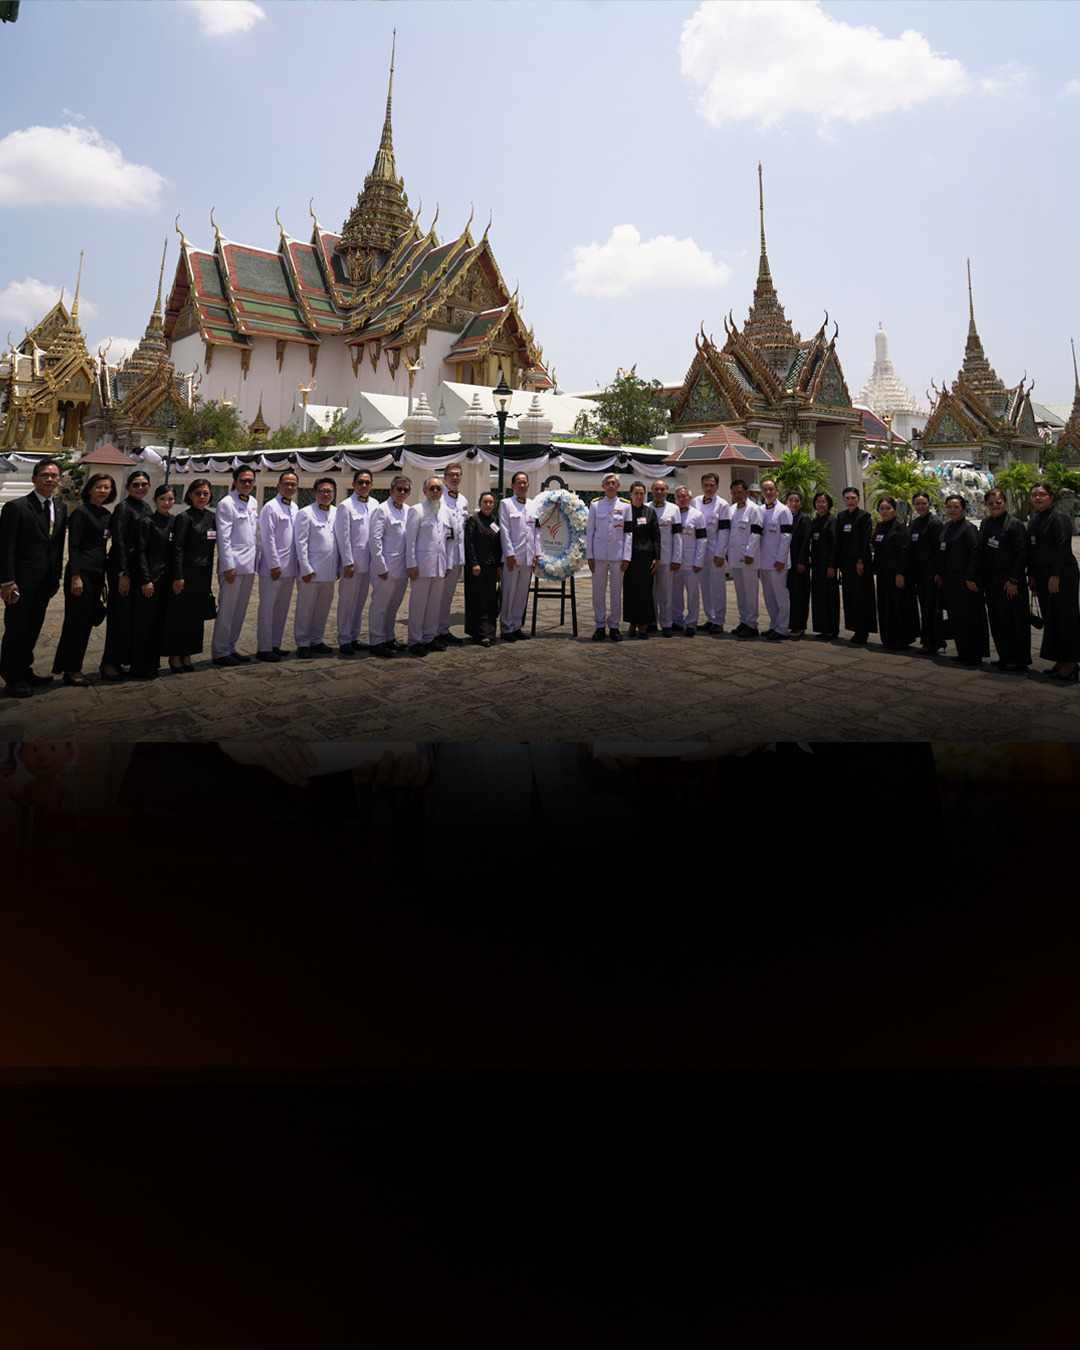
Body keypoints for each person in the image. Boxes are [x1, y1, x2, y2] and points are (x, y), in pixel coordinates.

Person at [0, 456, 68, 697]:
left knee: (33, 629)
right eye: (44, 475)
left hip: (44, 582)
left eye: (54, 475)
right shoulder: (16, 507)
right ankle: (12, 677)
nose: (50, 479)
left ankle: (25, 669)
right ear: (34, 478)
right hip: (20, 582)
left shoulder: (61, 507)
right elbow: (5, 547)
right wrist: (7, 581)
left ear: (59, 480)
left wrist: (55, 579)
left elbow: (57, 547)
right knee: (16, 630)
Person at [51, 470, 115, 687]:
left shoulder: (106, 514)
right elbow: (74, 545)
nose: (103, 491)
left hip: (98, 574)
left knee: (87, 622)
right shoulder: (81, 513)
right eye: (99, 487)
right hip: (81, 574)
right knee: (76, 623)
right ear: (89, 489)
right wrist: (75, 576)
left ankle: (73, 665)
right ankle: (71, 669)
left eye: (107, 487)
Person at [101, 468, 152, 681]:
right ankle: (109, 662)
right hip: (123, 568)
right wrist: (123, 572)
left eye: (144, 484)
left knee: (133, 617)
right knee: (120, 616)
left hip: (139, 568)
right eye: (136, 484)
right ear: (127, 487)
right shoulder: (123, 508)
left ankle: (126, 658)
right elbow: (118, 540)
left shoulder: (146, 507)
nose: (140, 488)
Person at [1027, 481, 1079, 682]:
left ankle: (1072, 663)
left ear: (1051, 497)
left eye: (1041, 494)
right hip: (1041, 575)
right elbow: (1032, 549)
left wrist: (1055, 575)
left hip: (1062, 575)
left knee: (1066, 618)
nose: (1037, 498)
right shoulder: (1035, 520)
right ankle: (1060, 659)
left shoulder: (1059, 518)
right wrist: (1031, 574)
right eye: (1034, 495)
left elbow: (1062, 548)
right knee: (1052, 618)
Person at [163, 477, 216, 672]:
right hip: (185, 574)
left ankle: (187, 653)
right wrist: (178, 577)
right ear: (189, 495)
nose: (202, 497)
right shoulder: (183, 518)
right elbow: (177, 549)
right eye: (198, 493)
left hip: (203, 575)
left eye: (205, 493)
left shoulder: (211, 517)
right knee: (180, 616)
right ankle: (175, 655)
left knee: (195, 617)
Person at [212, 464, 260, 666]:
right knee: (227, 609)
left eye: (250, 480)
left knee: (240, 610)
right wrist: (228, 566)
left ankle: (231, 647)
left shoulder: (253, 502)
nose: (247, 484)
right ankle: (220, 651)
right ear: (235, 481)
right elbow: (223, 539)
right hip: (232, 566)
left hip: (249, 566)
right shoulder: (226, 503)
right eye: (243, 480)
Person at [979, 487, 1030, 673]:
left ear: (1005, 503)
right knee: (997, 620)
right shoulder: (985, 523)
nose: (995, 506)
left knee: (1014, 620)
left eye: (998, 502)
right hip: (992, 580)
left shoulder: (1014, 524)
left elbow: (1022, 554)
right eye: (990, 503)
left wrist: (1014, 579)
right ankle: (1004, 656)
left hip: (1009, 580)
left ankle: (1018, 660)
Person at [935, 493, 989, 666]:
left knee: (970, 618)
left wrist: (970, 577)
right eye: (949, 507)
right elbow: (942, 551)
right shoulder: (947, 526)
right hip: (950, 580)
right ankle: (962, 652)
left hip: (966, 581)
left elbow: (975, 552)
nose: (952, 510)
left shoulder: (968, 528)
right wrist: (940, 573)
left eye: (956, 507)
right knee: (956, 618)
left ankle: (973, 654)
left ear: (964, 509)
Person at [129, 483, 175, 679]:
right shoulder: (148, 522)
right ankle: (139, 666)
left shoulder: (174, 522)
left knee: (158, 623)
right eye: (162, 499)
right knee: (144, 623)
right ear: (155, 500)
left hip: (167, 579)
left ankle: (153, 663)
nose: (166, 502)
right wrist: (146, 580)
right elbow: (141, 552)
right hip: (150, 579)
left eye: (170, 499)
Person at [255, 469, 300, 663]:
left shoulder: (295, 507)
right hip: (272, 568)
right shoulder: (270, 507)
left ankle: (275, 643)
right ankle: (264, 647)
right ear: (278, 486)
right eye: (286, 484)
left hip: (290, 568)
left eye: (293, 484)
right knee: (267, 607)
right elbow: (268, 537)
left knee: (282, 608)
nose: (290, 487)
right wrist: (274, 564)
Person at [294, 477, 340, 658]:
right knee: (305, 608)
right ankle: (303, 642)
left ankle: (316, 640)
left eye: (329, 491)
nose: (326, 494)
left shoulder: (337, 512)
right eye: (322, 491)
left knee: (323, 608)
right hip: (311, 571)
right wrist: (305, 568)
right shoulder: (305, 513)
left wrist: (339, 567)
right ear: (315, 493)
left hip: (330, 571)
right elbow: (301, 543)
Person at [405, 476, 452, 656]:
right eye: (431, 488)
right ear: (424, 491)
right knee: (418, 605)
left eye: (438, 488)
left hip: (440, 566)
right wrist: (411, 564)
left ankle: (429, 637)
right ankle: (415, 640)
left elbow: (450, 540)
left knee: (434, 604)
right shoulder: (416, 510)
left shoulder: (446, 512)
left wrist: (448, 563)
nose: (435, 491)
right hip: (421, 567)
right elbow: (410, 541)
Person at [368, 475, 412, 658]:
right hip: (385, 569)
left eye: (406, 490)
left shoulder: (409, 510)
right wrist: (380, 567)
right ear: (391, 490)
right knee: (380, 606)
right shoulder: (382, 510)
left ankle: (388, 637)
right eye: (399, 489)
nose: (402, 493)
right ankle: (376, 641)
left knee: (393, 607)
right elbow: (374, 540)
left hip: (402, 569)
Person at [334, 468, 376, 656]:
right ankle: (344, 639)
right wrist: (347, 563)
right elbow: (342, 537)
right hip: (352, 565)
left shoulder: (375, 504)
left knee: (360, 602)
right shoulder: (345, 506)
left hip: (369, 563)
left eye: (367, 482)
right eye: (360, 482)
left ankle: (354, 636)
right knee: (347, 603)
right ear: (353, 484)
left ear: (371, 485)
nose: (364, 485)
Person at [586, 472, 631, 642]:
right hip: (598, 555)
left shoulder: (626, 506)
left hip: (617, 555)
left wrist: (626, 556)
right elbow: (590, 531)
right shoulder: (595, 505)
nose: (611, 485)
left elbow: (628, 533)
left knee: (615, 592)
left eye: (613, 483)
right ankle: (599, 625)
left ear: (618, 486)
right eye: (607, 483)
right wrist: (589, 555)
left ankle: (614, 626)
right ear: (602, 486)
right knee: (598, 591)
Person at [871, 497, 918, 650]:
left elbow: (905, 551)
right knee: (885, 605)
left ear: (894, 509)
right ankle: (888, 638)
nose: (885, 511)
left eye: (888, 508)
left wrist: (900, 573)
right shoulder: (879, 526)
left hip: (896, 573)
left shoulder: (899, 527)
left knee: (899, 605)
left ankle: (902, 638)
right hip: (883, 573)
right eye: (882, 508)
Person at [497, 470, 538, 641]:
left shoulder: (533, 505)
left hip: (528, 557)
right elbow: (504, 531)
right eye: (519, 482)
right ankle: (506, 628)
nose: (522, 485)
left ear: (528, 485)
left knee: (521, 594)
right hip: (512, 558)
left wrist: (536, 554)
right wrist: (509, 554)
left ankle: (516, 626)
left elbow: (536, 531)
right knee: (508, 593)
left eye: (525, 482)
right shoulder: (506, 504)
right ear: (513, 486)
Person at [836, 486, 876, 645]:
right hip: (846, 564)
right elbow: (839, 540)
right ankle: (855, 629)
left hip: (860, 564)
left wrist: (861, 561)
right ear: (843, 500)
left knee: (862, 597)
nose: (850, 501)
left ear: (858, 499)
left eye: (853, 498)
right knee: (850, 597)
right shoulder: (841, 516)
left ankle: (863, 630)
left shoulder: (864, 516)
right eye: (847, 498)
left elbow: (866, 540)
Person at [907, 491, 945, 654]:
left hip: (931, 572)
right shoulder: (914, 523)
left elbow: (939, 550)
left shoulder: (934, 523)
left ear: (930, 504)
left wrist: (938, 572)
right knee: (924, 607)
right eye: (917, 504)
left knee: (932, 608)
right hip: (918, 572)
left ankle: (933, 641)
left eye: (924, 503)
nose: (920, 506)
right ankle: (929, 639)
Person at [463, 490, 502, 647]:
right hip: (477, 568)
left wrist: (499, 564)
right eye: (485, 502)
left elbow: (499, 544)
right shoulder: (474, 520)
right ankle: (479, 634)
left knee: (490, 600)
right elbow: (469, 543)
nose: (488, 505)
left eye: (490, 502)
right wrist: (474, 564)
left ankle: (489, 632)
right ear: (479, 504)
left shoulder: (495, 521)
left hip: (491, 567)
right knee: (477, 601)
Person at [725, 478, 763, 637]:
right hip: (735, 556)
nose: (736, 495)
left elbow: (756, 533)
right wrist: (727, 551)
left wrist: (749, 553)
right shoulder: (732, 509)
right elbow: (730, 533)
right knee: (740, 592)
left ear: (747, 492)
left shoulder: (754, 509)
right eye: (734, 493)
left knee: (750, 592)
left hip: (748, 558)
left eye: (739, 492)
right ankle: (743, 621)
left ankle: (752, 624)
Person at [692, 473, 730, 633]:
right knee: (705, 588)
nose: (709, 488)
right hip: (700, 554)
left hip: (715, 554)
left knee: (717, 588)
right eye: (706, 485)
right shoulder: (696, 501)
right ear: (702, 486)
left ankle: (719, 620)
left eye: (712, 485)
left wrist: (720, 553)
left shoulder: (723, 505)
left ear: (717, 486)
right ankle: (710, 617)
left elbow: (724, 531)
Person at [757, 477, 793, 642]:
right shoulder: (760, 509)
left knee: (780, 596)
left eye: (771, 489)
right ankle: (774, 625)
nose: (768, 492)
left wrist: (781, 559)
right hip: (764, 561)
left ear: (777, 491)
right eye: (765, 489)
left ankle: (783, 628)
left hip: (778, 562)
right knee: (769, 596)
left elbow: (786, 537)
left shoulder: (784, 510)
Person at [437, 461, 468, 646]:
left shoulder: (463, 500)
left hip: (458, 556)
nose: (455, 477)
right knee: (437, 596)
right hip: (442, 556)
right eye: (451, 475)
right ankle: (432, 631)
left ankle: (443, 629)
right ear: (445, 478)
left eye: (458, 474)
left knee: (448, 596)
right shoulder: (439, 498)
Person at [623, 481, 659, 638]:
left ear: (645, 495)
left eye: (641, 493)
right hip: (629, 558)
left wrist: (657, 557)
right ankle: (631, 624)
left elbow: (656, 536)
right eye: (636, 493)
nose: (639, 496)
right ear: (630, 494)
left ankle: (643, 625)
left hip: (646, 558)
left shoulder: (650, 513)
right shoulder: (625, 511)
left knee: (645, 592)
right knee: (630, 591)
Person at [671, 485, 706, 637]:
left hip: (691, 562)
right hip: (674, 562)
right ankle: (677, 620)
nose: (681, 499)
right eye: (678, 496)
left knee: (692, 595)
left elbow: (702, 540)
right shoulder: (671, 514)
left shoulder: (697, 515)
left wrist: (698, 561)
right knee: (675, 594)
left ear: (690, 498)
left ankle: (691, 622)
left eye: (684, 496)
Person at [649, 478, 683, 637]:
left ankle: (667, 623)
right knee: (650, 592)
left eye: (662, 489)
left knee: (666, 592)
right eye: (656, 489)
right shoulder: (646, 507)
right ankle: (651, 621)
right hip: (649, 559)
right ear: (652, 491)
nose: (659, 492)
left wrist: (677, 557)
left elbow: (677, 535)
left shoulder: (674, 509)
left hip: (667, 558)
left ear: (666, 491)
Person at [808, 492, 840, 640]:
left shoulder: (832, 521)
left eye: (824, 501)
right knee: (819, 597)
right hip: (816, 564)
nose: (821, 504)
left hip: (828, 565)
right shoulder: (815, 521)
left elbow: (835, 544)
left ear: (829, 504)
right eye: (818, 501)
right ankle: (822, 628)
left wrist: (832, 565)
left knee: (829, 597)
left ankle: (832, 630)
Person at [785, 488, 811, 637]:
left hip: (799, 564)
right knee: (789, 595)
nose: (793, 503)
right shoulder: (786, 516)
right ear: (786, 502)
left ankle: (799, 626)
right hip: (787, 562)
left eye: (796, 501)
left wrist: (802, 561)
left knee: (799, 595)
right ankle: (790, 623)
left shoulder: (803, 518)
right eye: (791, 500)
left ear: (801, 503)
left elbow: (806, 541)